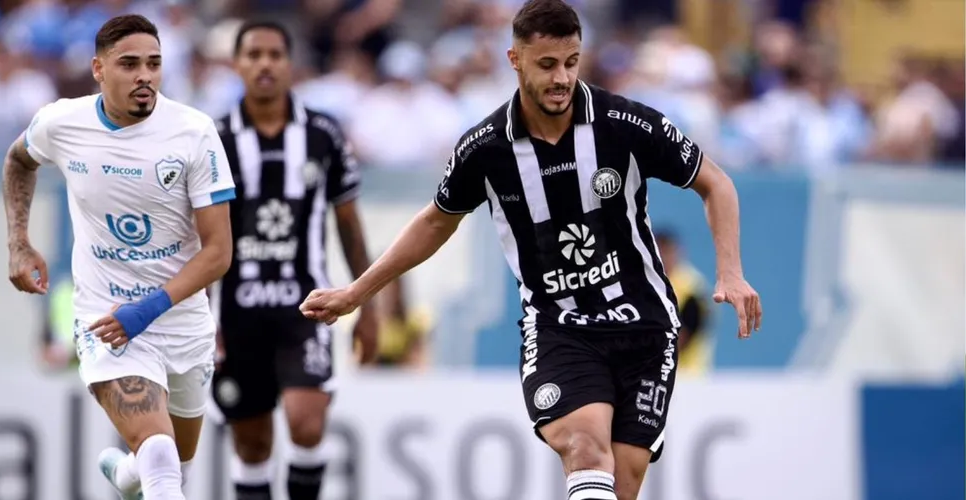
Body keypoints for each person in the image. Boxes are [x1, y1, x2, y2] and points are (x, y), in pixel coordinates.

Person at [299, 1, 763, 499]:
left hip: (644, 327)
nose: (562, 77)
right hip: (560, 328)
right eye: (547, 64)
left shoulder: (623, 124)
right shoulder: (485, 148)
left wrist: (730, 272)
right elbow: (435, 221)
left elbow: (715, 183)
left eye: (571, 62)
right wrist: (357, 292)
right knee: (587, 450)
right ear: (515, 60)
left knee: (622, 482)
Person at [2, 14, 236, 500]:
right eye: (129, 64)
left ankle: (127, 476)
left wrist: (148, 309)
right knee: (162, 462)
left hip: (179, 318)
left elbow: (218, 253)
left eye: (153, 64)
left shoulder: (193, 133)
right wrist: (19, 242)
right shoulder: (62, 122)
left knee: (168, 466)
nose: (144, 76)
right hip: (106, 318)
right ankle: (142, 472)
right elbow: (19, 159)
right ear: (98, 69)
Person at [208, 20, 377, 500]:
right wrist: (200, 315)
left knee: (306, 424)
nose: (265, 64)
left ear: (290, 64)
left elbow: (349, 224)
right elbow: (201, 237)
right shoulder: (214, 138)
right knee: (252, 443)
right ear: (237, 64)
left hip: (307, 308)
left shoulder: (323, 134)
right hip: (236, 314)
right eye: (254, 54)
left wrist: (370, 306)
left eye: (275, 54)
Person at [655, 229, 712, 376]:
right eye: (658, 250)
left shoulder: (692, 289)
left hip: (687, 377)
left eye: (667, 251)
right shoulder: (645, 285)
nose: (662, 257)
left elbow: (681, 340)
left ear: (678, 252)